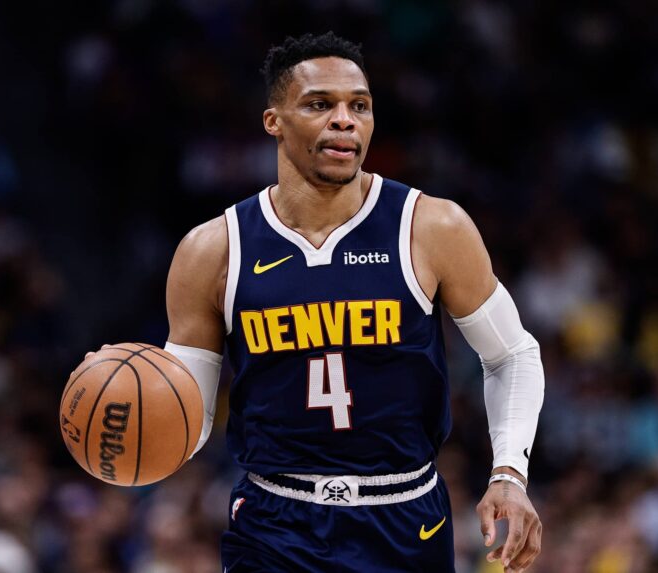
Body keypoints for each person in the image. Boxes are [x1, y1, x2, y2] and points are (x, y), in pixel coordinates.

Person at [162, 32, 545, 572]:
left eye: (359, 106)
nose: (344, 120)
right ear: (273, 121)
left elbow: (512, 354)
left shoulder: (431, 226)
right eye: (319, 104)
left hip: (406, 517)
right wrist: (135, 411)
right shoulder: (213, 250)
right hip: (274, 523)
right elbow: (188, 419)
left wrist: (509, 473)